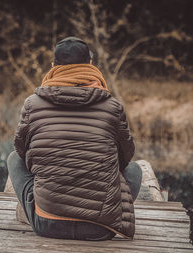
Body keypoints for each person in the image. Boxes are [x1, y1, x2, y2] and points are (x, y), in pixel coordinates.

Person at [7, 36, 142, 240]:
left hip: (47, 224)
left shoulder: (32, 104)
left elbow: (23, 153)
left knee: (13, 159)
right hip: (100, 229)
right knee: (134, 169)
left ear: (53, 66)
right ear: (90, 64)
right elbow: (125, 158)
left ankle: (32, 210)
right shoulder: (112, 106)